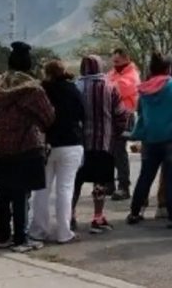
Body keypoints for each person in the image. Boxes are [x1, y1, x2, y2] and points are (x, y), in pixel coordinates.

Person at [0, 42, 55, 252]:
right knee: (21, 193)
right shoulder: (32, 89)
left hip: (2, 143)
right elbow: (48, 117)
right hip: (26, 143)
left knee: (4, 191)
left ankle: (2, 235)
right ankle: (21, 238)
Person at [128, 52, 172, 229]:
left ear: (151, 70)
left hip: (150, 140)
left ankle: (134, 213)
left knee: (145, 177)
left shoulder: (143, 89)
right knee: (171, 180)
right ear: (168, 69)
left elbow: (141, 112)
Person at [30, 60, 84, 243]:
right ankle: (63, 232)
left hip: (46, 144)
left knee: (41, 190)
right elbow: (83, 114)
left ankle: (38, 230)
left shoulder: (41, 90)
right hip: (71, 143)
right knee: (65, 189)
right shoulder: (72, 89)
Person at [72, 55, 128, 234]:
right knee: (100, 181)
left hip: (80, 144)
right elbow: (121, 114)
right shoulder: (110, 86)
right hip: (104, 142)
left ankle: (70, 215)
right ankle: (97, 216)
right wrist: (116, 133)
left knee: (76, 182)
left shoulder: (77, 87)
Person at [106, 48, 141, 201]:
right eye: (114, 62)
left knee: (119, 151)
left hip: (124, 116)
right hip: (111, 116)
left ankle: (123, 186)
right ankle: (109, 184)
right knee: (109, 151)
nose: (115, 65)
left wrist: (109, 84)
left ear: (126, 59)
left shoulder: (132, 75)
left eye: (117, 61)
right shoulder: (114, 73)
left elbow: (115, 89)